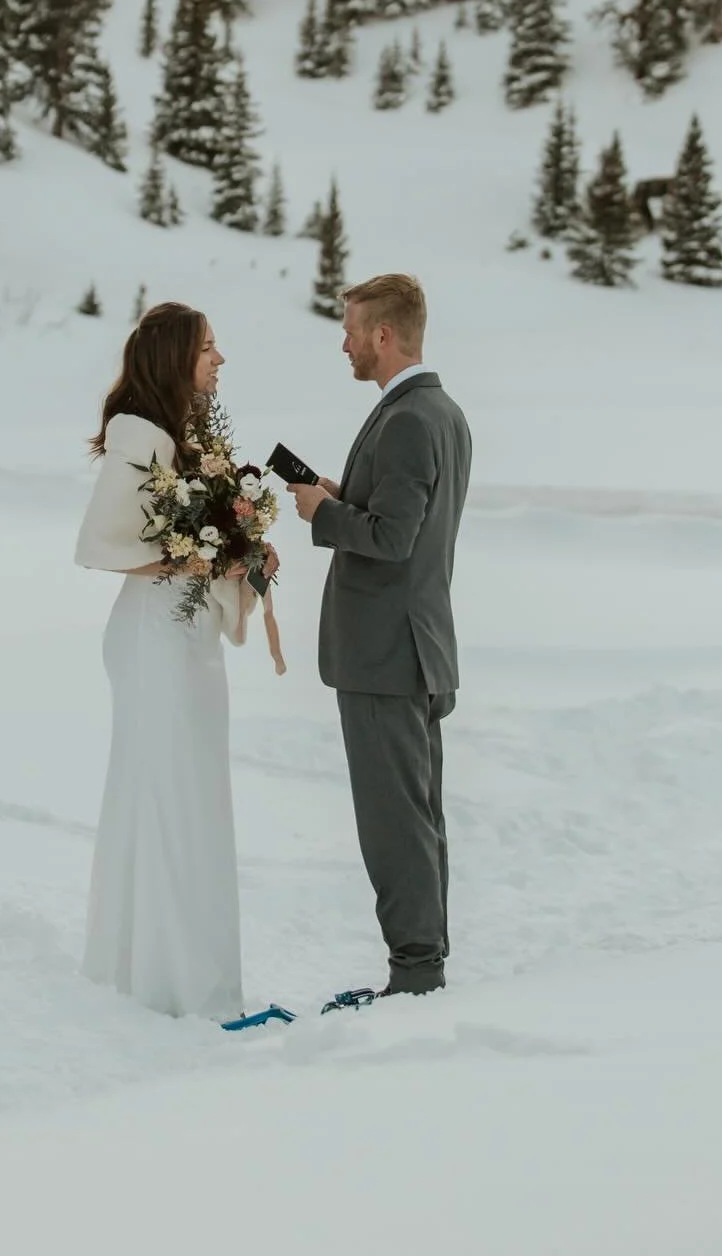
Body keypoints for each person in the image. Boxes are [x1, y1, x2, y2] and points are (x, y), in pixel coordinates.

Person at [75, 302, 276, 1021]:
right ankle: (184, 987)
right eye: (208, 349)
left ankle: (149, 972)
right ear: (173, 359)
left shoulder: (178, 439)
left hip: (178, 637)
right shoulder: (141, 434)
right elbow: (100, 541)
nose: (219, 360)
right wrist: (202, 554)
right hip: (156, 639)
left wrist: (235, 548)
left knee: (178, 796)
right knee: (173, 799)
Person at [287, 273, 471, 999]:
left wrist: (319, 516)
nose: (345, 343)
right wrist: (342, 497)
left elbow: (393, 540)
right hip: (415, 648)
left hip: (387, 655)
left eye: (351, 330)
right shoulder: (437, 411)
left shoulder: (407, 420)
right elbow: (406, 522)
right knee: (416, 817)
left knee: (395, 824)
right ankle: (422, 964)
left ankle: (416, 973)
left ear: (384, 336)